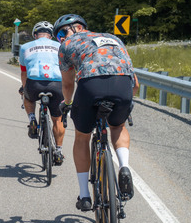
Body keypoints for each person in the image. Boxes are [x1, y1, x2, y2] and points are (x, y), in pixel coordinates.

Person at [54, 14, 139, 211]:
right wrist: (127, 102)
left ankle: (84, 195)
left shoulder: (67, 45)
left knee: (82, 137)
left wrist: (67, 104)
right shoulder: (114, 38)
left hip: (91, 85)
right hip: (123, 84)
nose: (61, 39)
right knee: (117, 126)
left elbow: (67, 84)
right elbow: (135, 83)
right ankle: (124, 166)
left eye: (60, 35)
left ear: (71, 30)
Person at [19, 21, 66, 164]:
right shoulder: (61, 46)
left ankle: (32, 119)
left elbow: (24, 72)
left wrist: (24, 87)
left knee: (26, 96)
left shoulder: (25, 47)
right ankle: (58, 151)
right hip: (56, 84)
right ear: (52, 36)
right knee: (57, 120)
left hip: (35, 83)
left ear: (35, 35)